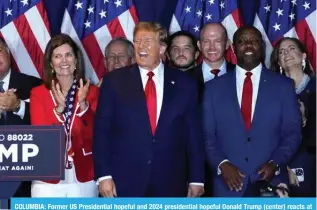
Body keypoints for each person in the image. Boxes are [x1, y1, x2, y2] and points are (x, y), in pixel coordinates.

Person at [93, 22, 205, 197]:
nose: (140, 46)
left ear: (161, 48)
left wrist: (197, 178)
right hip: (122, 181)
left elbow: (194, 135)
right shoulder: (113, 82)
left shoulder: (186, 84)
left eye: (147, 41)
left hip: (170, 182)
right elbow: (101, 132)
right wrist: (103, 176)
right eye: (137, 41)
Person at [202, 26, 302, 197]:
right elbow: (207, 135)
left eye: (254, 41)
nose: (248, 45)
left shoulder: (283, 86)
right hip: (228, 185)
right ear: (233, 48)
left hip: (272, 184)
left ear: (262, 47)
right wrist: (222, 164)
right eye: (242, 41)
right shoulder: (213, 88)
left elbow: (292, 133)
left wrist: (275, 163)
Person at [30, 34, 99, 197]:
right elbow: (42, 137)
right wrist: (59, 110)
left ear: (76, 61)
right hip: (48, 177)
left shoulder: (92, 92)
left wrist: (83, 106)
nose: (64, 60)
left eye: (68, 55)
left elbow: (95, 134)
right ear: (51, 64)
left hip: (84, 174)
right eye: (57, 56)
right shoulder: (38, 93)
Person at [270, 37, 316, 197]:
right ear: (279, 63)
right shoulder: (271, 94)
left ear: (303, 56)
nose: (286, 53)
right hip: (284, 167)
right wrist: (282, 167)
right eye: (281, 52)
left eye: (291, 48)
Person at [0, 37, 42, 199]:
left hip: (25, 181)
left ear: (8, 53)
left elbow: (49, 124)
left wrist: (18, 106)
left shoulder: (34, 85)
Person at [188, 23, 235, 101]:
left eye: (217, 41)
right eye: (206, 41)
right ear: (199, 45)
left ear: (227, 44)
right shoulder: (185, 79)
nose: (212, 47)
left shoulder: (240, 75)